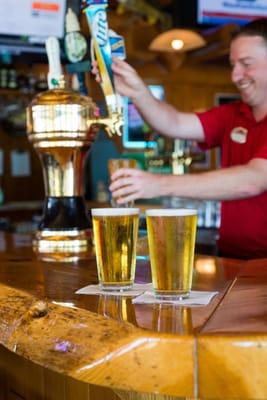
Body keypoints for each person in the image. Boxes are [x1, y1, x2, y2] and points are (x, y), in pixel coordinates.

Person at [92, 19, 267, 259]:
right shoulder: (235, 114)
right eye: (232, 64)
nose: (236, 75)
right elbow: (173, 122)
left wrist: (158, 183)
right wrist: (137, 90)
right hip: (231, 259)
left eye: (246, 64)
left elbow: (253, 180)